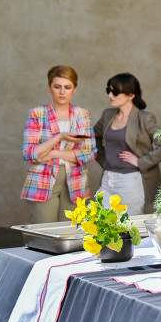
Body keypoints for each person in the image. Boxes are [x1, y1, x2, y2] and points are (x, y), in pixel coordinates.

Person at [21, 65, 96, 223]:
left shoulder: (83, 114)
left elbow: (89, 153)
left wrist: (53, 153)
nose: (62, 92)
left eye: (67, 87)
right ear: (50, 87)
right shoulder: (37, 113)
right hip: (43, 180)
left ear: (74, 89)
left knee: (69, 233)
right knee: (44, 233)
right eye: (57, 87)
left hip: (75, 181)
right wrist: (60, 137)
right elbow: (29, 153)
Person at [94, 73, 161, 214]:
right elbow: (93, 138)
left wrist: (141, 161)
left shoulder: (144, 118)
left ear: (131, 95)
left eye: (115, 91)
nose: (110, 95)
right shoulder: (107, 115)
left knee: (130, 227)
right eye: (108, 91)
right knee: (104, 225)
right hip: (108, 179)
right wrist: (105, 160)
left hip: (131, 180)